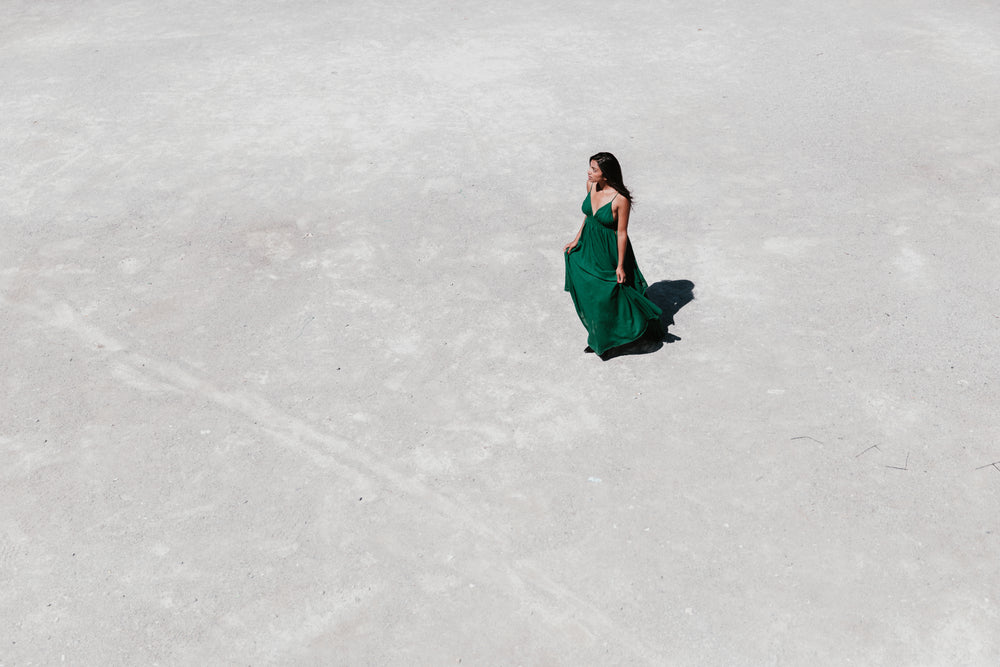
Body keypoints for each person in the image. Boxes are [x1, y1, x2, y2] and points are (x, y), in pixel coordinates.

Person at [564, 152, 663, 357]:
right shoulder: (590, 186)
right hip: (589, 243)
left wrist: (619, 265)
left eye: (594, 169)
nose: (589, 172)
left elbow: (621, 233)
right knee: (591, 293)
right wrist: (576, 239)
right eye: (590, 168)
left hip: (609, 250)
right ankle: (599, 337)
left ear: (606, 175)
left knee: (612, 293)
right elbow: (588, 217)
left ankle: (634, 331)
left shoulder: (621, 199)